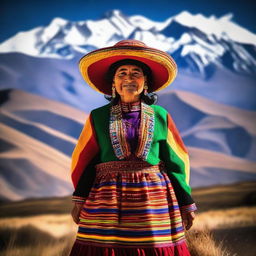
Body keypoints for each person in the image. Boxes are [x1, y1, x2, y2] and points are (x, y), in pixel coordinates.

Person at [69, 39, 197, 256]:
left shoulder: (160, 116)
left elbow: (176, 161)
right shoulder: (98, 117)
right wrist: (80, 198)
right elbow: (86, 160)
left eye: (135, 73)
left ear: (145, 81)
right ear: (113, 82)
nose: (128, 78)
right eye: (122, 73)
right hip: (107, 200)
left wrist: (186, 203)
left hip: (153, 200)